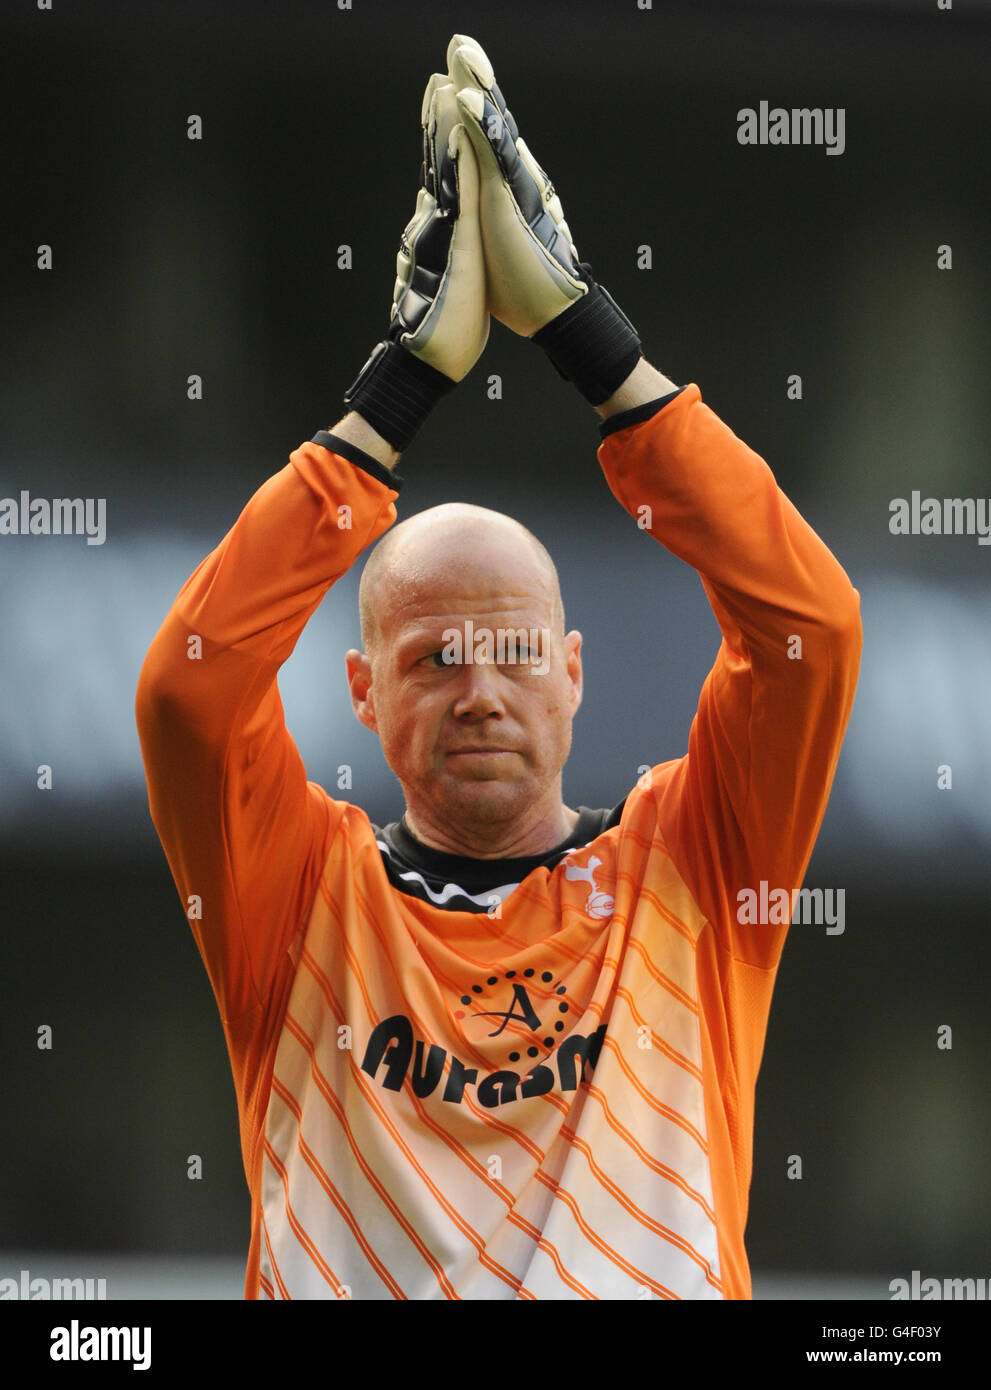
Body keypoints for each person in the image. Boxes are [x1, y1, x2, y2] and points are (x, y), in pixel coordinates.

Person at [136, 36, 861, 1300]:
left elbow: (810, 629)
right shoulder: (297, 894)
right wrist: (397, 392)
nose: (480, 688)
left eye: (517, 652)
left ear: (573, 672)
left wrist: (594, 341)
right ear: (360, 694)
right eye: (431, 658)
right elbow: (189, 689)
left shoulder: (694, 866)